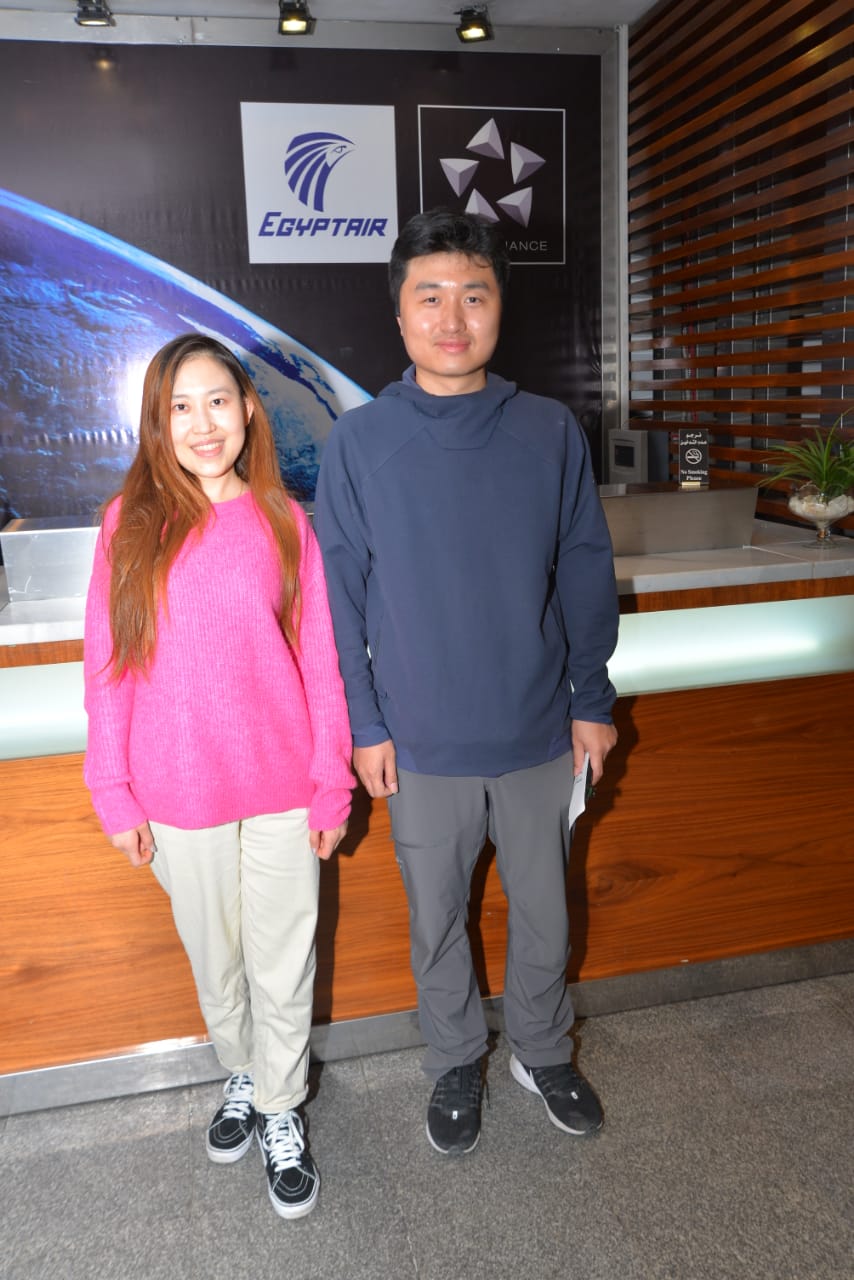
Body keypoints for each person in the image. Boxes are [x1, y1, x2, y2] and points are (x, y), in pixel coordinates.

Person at [314, 208, 619, 1156]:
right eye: (431, 297)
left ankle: (542, 1049)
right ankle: (453, 1058)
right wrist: (366, 724)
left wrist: (592, 698)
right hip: (419, 739)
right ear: (400, 314)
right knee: (437, 920)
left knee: (546, 912)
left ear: (499, 308)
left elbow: (583, 566)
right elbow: (340, 598)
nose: (453, 318)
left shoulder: (549, 430)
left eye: (474, 296)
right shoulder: (359, 441)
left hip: (538, 730)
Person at [83, 333, 354, 1218]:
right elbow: (108, 666)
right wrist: (112, 790)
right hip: (179, 790)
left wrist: (331, 782)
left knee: (284, 961)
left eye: (217, 401)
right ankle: (242, 1068)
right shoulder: (129, 524)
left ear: (247, 411)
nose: (202, 424)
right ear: (157, 422)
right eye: (180, 407)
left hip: (281, 785)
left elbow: (321, 663)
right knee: (218, 961)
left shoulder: (285, 521)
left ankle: (280, 1104)